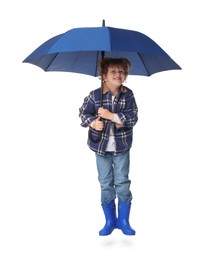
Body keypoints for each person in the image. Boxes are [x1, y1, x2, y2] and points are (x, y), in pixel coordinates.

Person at [79, 57, 138, 236]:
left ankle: (124, 221)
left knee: (122, 182)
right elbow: (83, 113)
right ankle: (110, 221)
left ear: (126, 75)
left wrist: (111, 116)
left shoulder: (128, 95)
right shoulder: (94, 96)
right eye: (113, 71)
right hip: (101, 148)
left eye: (122, 71)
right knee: (105, 183)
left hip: (122, 147)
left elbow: (132, 118)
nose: (118, 75)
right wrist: (92, 123)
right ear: (103, 75)